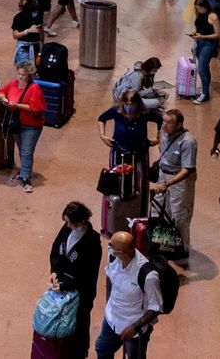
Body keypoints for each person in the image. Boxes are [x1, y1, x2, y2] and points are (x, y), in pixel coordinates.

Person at [94, 231, 162, 359]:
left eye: (111, 246)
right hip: (112, 318)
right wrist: (110, 303)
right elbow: (110, 276)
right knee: (102, 349)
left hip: (133, 327)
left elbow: (155, 308)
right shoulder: (113, 256)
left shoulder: (148, 275)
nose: (109, 247)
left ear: (121, 253)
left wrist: (135, 327)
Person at [48, 201, 102, 358]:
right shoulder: (66, 229)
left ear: (81, 222)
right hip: (63, 283)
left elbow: (87, 274)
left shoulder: (92, 242)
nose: (67, 225)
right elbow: (57, 249)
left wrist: (65, 285)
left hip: (81, 293)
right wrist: (55, 271)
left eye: (70, 223)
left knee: (78, 325)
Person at [98, 92, 163, 215]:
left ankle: (141, 212)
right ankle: (118, 211)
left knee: (142, 181)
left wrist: (158, 137)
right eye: (127, 104)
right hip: (119, 150)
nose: (129, 107)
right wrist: (103, 136)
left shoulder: (144, 114)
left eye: (132, 104)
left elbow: (160, 120)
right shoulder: (116, 112)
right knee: (117, 180)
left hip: (140, 152)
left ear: (138, 104)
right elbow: (102, 119)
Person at [149, 110, 197, 256]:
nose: (164, 126)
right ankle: (162, 244)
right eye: (163, 121)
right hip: (163, 175)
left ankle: (181, 249)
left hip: (180, 180)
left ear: (179, 125)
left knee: (179, 215)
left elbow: (187, 169)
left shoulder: (188, 141)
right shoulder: (163, 133)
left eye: (168, 123)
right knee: (158, 210)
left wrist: (168, 183)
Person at [0, 62, 46, 193]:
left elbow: (35, 108)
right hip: (17, 123)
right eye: (18, 73)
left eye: (23, 75)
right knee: (21, 148)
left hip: (31, 126)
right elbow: (1, 92)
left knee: (26, 151)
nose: (19, 77)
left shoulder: (35, 89)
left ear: (29, 76)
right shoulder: (13, 84)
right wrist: (4, 99)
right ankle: (24, 171)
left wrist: (17, 106)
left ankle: (25, 177)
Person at [189, 0, 220, 103]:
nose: (198, 11)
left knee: (201, 68)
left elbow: (218, 34)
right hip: (199, 42)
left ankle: (205, 93)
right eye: (196, 9)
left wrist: (202, 37)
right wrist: (194, 32)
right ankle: (205, 90)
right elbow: (198, 26)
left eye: (199, 8)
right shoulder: (199, 14)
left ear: (205, 7)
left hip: (208, 44)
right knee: (204, 67)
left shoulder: (213, 17)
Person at [11, 0, 45, 66]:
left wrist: (41, 48)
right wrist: (28, 31)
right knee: (24, 69)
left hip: (36, 45)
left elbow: (41, 32)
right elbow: (15, 35)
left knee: (36, 69)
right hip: (24, 47)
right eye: (34, 11)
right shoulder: (19, 17)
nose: (36, 12)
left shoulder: (39, 15)